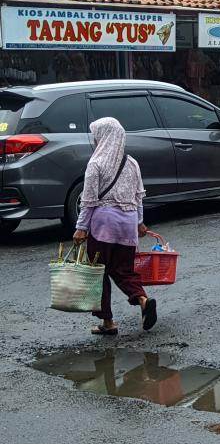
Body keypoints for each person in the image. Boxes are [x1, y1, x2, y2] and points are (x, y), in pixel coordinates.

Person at [72, 117, 157, 335]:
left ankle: (108, 323)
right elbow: (138, 197)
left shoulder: (95, 163)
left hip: (103, 225)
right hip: (128, 224)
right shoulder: (132, 162)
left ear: (102, 136)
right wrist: (139, 221)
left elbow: (88, 201)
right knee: (123, 270)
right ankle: (143, 301)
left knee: (98, 272)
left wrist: (81, 227)